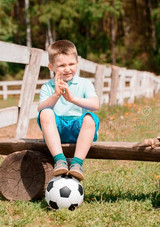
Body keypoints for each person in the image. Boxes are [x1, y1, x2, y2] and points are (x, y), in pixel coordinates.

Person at [37, 40, 100, 181]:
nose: (67, 69)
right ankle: (60, 160)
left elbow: (95, 105)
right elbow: (40, 108)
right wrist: (56, 95)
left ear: (77, 63)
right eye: (61, 65)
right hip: (57, 130)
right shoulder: (48, 86)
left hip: (79, 129)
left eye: (71, 64)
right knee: (45, 113)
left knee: (90, 118)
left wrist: (72, 99)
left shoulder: (85, 83)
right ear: (51, 67)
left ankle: (77, 164)